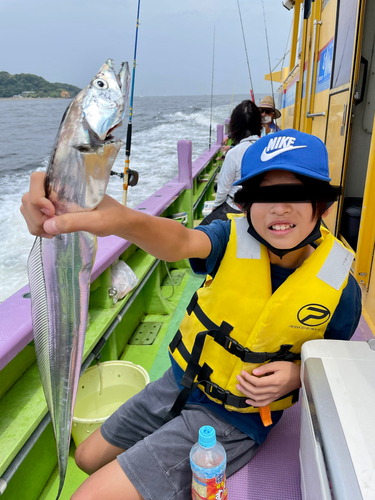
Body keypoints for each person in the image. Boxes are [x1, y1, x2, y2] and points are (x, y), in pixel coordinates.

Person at [20, 129, 362, 500]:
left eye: (295, 194)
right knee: (86, 457)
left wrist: (297, 376)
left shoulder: (340, 288)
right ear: (246, 206)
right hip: (181, 381)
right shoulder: (230, 237)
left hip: (233, 418)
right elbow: (181, 241)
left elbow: (334, 362)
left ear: (322, 205)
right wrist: (120, 220)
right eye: (265, 196)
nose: (279, 208)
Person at [200, 99, 261, 225]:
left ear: (234, 126)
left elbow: (223, 189)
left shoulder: (234, 153)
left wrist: (215, 209)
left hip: (236, 208)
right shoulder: (267, 147)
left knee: (204, 228)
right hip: (261, 209)